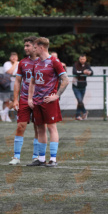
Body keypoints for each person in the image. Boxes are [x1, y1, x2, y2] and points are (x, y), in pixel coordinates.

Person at [27, 37, 69, 167]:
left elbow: (65, 80)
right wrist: (29, 98)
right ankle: (40, 159)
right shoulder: (36, 63)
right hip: (37, 101)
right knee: (40, 129)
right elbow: (32, 82)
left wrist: (56, 96)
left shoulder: (54, 61)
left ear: (41, 47)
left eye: (34, 47)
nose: (33, 50)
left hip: (49, 101)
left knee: (52, 127)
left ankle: (53, 159)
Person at [8, 36, 42, 165]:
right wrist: (15, 99)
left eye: (28, 45)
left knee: (38, 127)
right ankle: (16, 157)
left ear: (35, 46)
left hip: (39, 99)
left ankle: (36, 156)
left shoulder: (43, 61)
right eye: (25, 45)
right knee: (20, 126)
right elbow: (17, 81)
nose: (25, 48)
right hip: (23, 98)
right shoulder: (22, 62)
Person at [72, 54, 93, 120]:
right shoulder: (76, 64)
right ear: (79, 59)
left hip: (83, 85)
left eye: (83, 59)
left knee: (80, 101)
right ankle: (84, 111)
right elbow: (74, 72)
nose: (82, 60)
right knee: (80, 100)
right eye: (81, 59)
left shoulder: (87, 65)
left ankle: (77, 115)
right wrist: (83, 72)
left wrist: (89, 72)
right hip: (76, 86)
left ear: (85, 59)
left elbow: (92, 72)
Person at [0, 52, 19, 122]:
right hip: (6, 84)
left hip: (15, 84)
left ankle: (4, 112)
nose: (14, 58)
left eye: (15, 57)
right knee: (6, 101)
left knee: (15, 99)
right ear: (10, 58)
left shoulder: (19, 63)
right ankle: (5, 116)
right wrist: (15, 64)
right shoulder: (7, 64)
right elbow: (10, 72)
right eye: (12, 57)